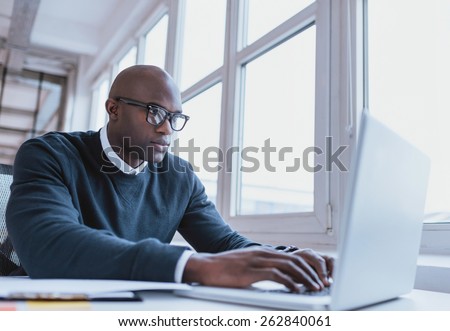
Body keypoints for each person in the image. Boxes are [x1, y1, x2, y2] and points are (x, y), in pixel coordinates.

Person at [6, 65, 333, 292]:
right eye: (154, 112)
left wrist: (287, 258)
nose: (166, 128)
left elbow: (224, 245)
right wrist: (193, 266)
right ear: (113, 109)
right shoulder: (50, 154)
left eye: (175, 118)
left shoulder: (180, 177)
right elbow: (48, 246)